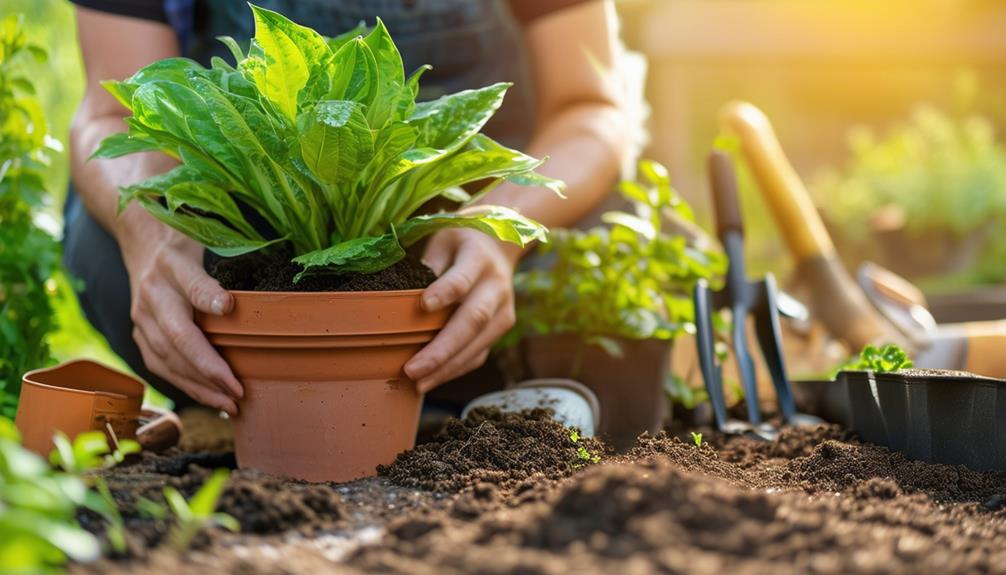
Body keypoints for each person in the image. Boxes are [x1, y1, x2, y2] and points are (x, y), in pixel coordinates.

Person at [66, 0, 631, 417]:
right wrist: (157, 234)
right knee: (106, 242)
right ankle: (243, 399)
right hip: (252, 240)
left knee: (609, 249)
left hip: (464, 226)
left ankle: (484, 411)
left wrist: (497, 231)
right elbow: (111, 111)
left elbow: (590, 109)